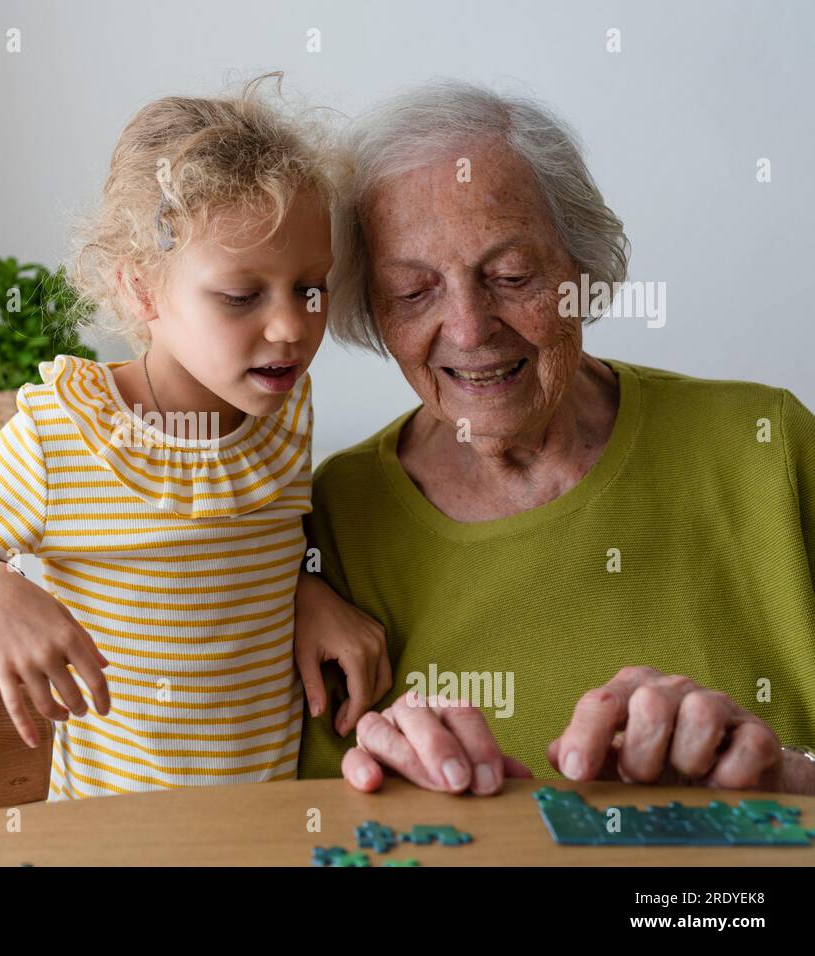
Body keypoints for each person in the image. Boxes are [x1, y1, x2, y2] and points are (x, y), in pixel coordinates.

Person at [295, 81, 815, 797]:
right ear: (373, 312)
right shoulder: (335, 515)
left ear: (581, 265)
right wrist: (382, 787)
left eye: (511, 276)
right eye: (415, 291)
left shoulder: (768, 446)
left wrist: (789, 776)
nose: (471, 330)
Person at [0, 75, 389, 801]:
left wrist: (304, 587)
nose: (292, 326)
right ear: (142, 291)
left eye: (311, 286)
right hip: (113, 839)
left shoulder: (283, 410)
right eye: (242, 296)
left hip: (262, 830)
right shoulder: (65, 439)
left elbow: (242, 541)